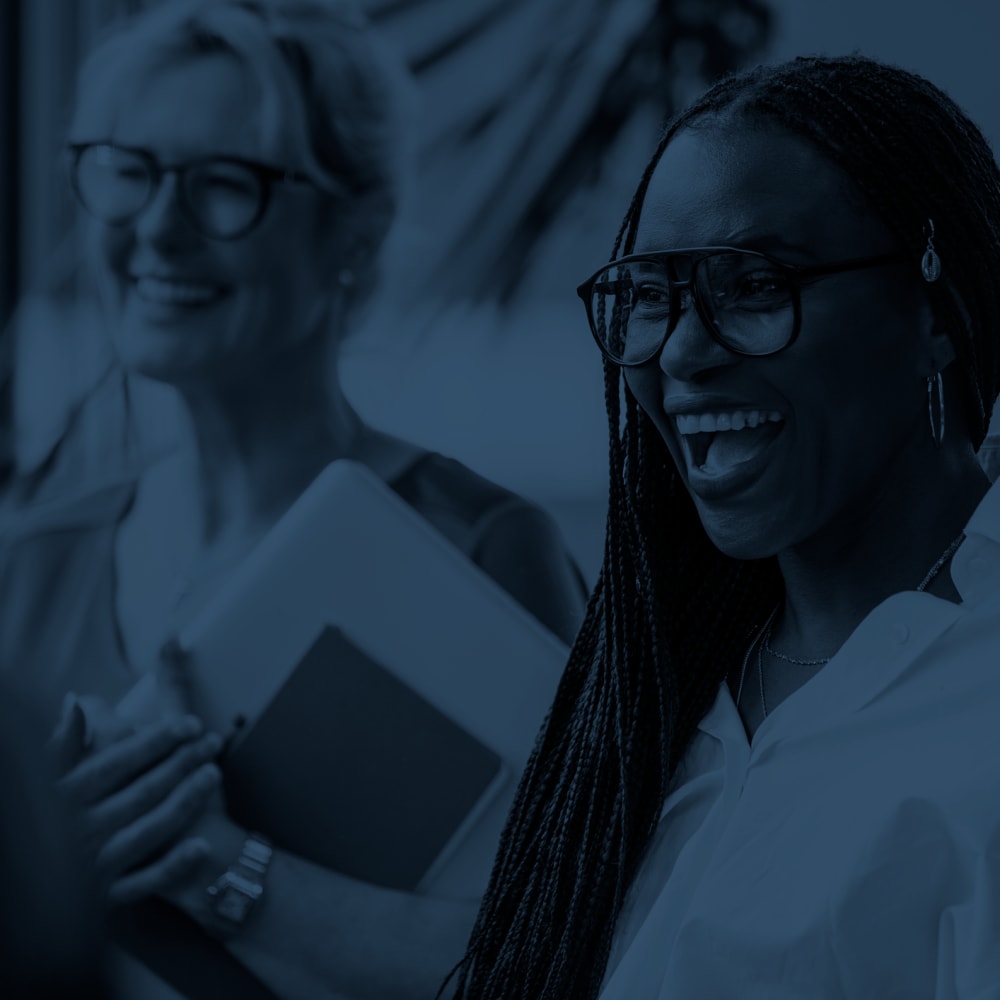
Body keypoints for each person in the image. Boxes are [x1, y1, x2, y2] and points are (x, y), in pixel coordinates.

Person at [0, 1, 587, 997]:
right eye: (128, 170)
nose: (157, 227)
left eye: (224, 184)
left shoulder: (477, 546)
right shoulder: (33, 562)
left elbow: (559, 956)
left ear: (354, 235)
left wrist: (209, 859)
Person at [444, 55, 1000, 999]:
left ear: (933, 314)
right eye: (654, 294)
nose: (685, 353)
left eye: (753, 286)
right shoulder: (655, 693)